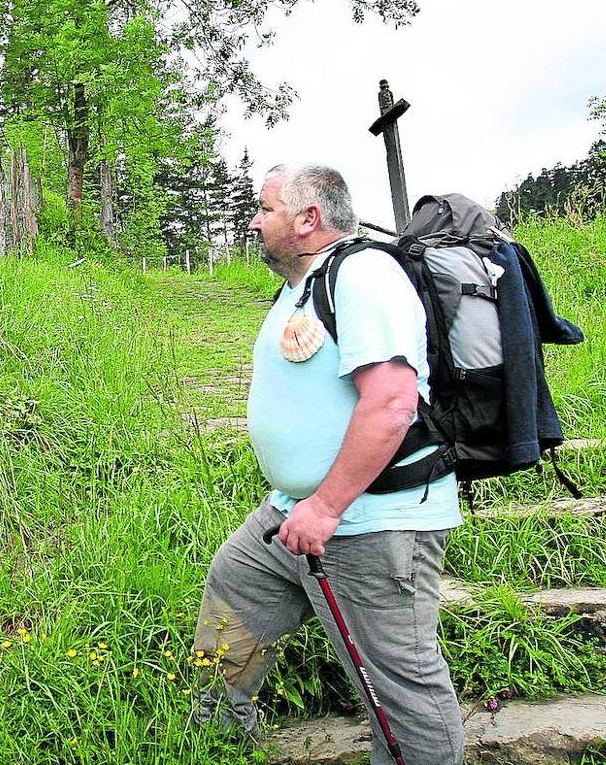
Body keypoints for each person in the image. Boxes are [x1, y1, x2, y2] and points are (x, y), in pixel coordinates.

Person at [191, 163, 465, 764]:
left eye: (265, 209)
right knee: (236, 585)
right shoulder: (305, 283)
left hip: (371, 523)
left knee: (400, 687)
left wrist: (325, 506)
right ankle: (214, 740)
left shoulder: (364, 276)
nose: (254, 222)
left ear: (307, 218)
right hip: (291, 514)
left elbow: (392, 403)